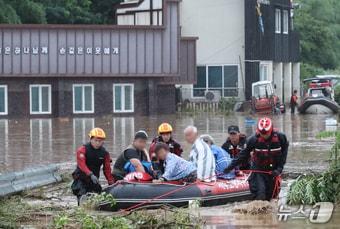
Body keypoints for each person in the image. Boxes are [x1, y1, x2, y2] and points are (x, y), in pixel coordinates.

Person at [224, 117, 289, 201]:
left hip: (274, 170)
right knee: (260, 194)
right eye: (262, 133)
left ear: (271, 131)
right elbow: (243, 155)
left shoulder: (281, 137)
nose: (264, 135)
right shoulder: (253, 140)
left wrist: (279, 169)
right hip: (259, 170)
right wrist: (230, 167)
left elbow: (284, 154)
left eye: (266, 133)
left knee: (272, 196)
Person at [71, 128, 114, 204]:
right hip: (81, 178)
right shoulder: (82, 150)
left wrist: (111, 182)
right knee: (82, 195)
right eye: (95, 140)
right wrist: (90, 174)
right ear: (91, 139)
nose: (97, 143)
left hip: (94, 179)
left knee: (99, 196)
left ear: (103, 141)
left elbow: (107, 169)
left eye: (100, 141)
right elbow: (81, 164)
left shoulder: (105, 153)